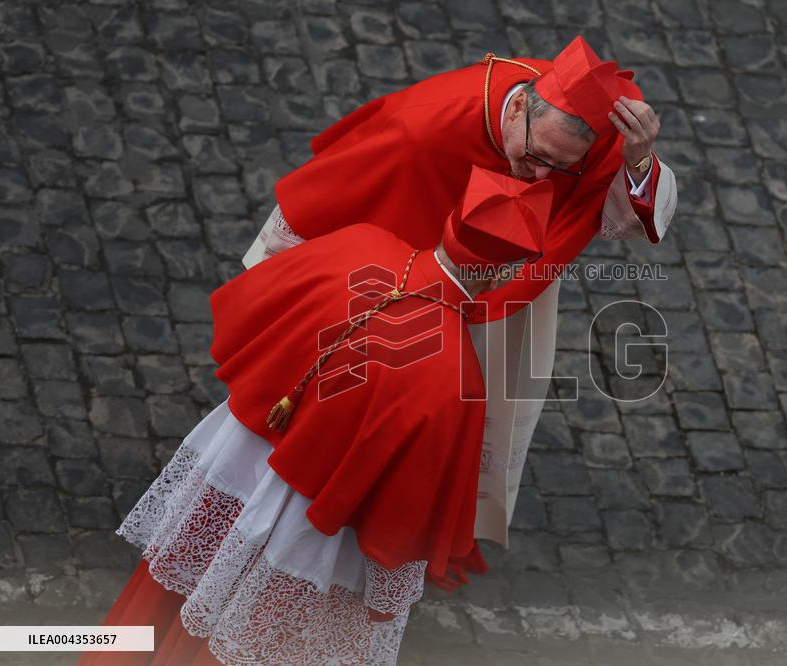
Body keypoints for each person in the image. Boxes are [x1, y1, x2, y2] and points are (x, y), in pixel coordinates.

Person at [78, 167, 553, 666]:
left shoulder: (357, 243)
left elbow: (247, 311)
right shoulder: (456, 382)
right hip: (306, 540)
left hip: (236, 469)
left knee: (157, 609)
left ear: (452, 223)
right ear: (503, 273)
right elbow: (399, 526)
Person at [243, 35, 678, 544]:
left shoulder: (585, 121)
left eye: (558, 167)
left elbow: (630, 206)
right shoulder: (419, 131)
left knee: (449, 415)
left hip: (501, 300)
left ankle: (407, 515)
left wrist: (642, 158)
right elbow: (317, 207)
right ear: (517, 108)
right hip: (383, 288)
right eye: (535, 155)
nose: (538, 176)